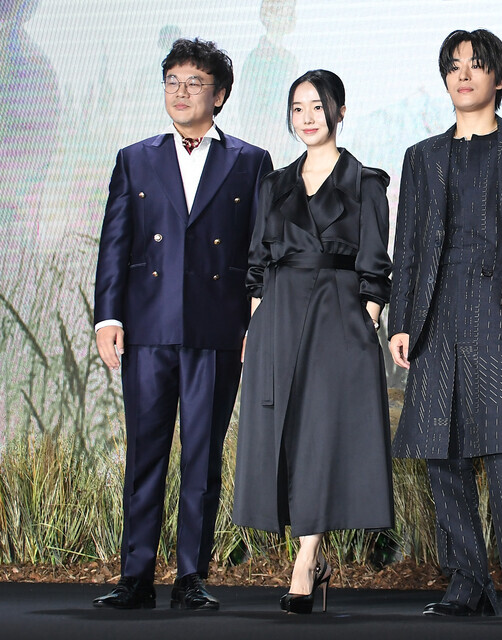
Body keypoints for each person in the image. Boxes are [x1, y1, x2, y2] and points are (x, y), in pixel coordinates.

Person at [388, 28, 502, 617]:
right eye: (453, 66)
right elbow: (407, 246)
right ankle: (466, 579)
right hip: (434, 315)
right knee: (440, 450)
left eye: (476, 64)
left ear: (501, 76)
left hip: (500, 308)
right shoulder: (421, 156)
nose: (463, 74)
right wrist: (401, 321)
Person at [93, 38, 273, 610]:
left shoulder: (250, 161)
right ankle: (135, 577)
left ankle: (191, 575)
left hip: (218, 330)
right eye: (172, 81)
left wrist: (256, 322)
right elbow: (115, 244)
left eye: (194, 83)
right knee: (145, 454)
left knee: (202, 456)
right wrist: (108, 317)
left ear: (219, 95)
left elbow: (261, 251)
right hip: (146, 328)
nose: (180, 92)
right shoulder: (135, 158)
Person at [232, 69, 395, 614]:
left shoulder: (365, 183)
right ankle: (311, 558)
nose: (307, 118)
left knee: (323, 434)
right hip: (277, 314)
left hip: (338, 314)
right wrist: (254, 329)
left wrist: (366, 319)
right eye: (297, 108)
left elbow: (375, 263)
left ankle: (306, 562)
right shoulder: (274, 184)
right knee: (287, 433)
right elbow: (257, 263)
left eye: (318, 106)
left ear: (340, 112)